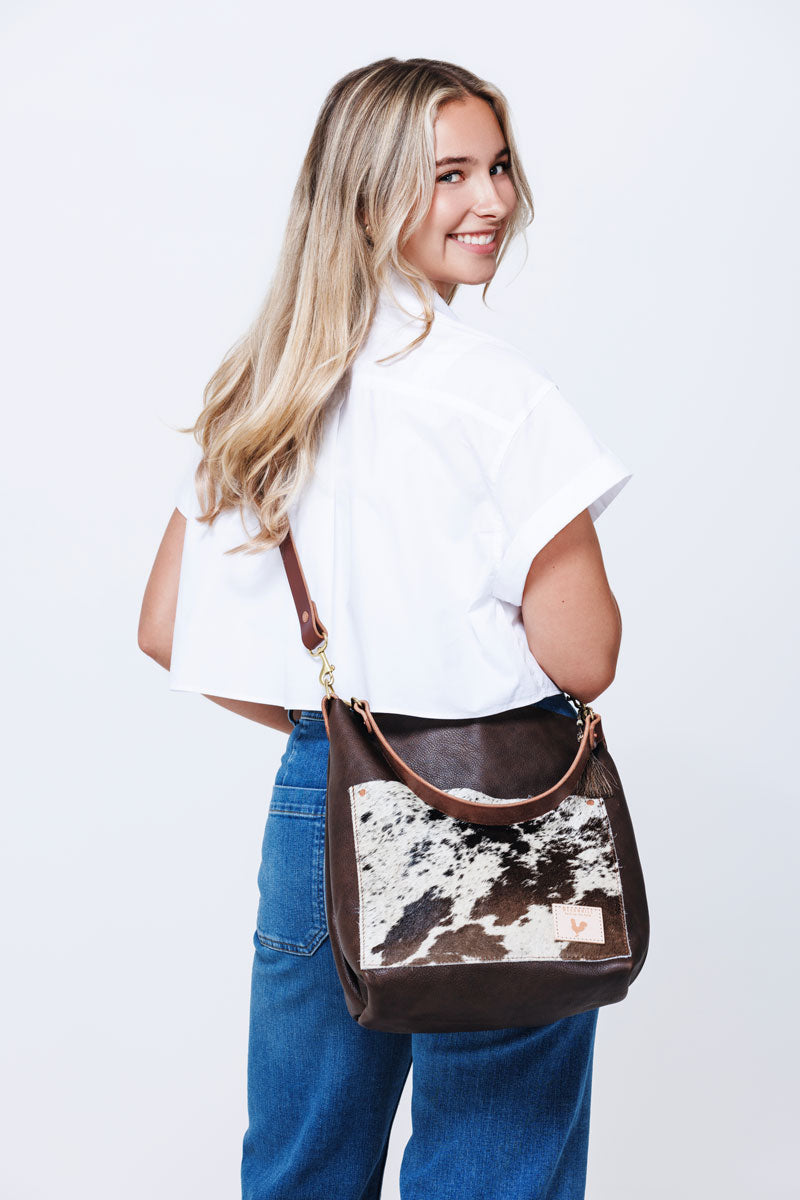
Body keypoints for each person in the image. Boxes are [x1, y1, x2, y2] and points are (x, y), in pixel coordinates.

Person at [138, 56, 632, 1200]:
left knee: (305, 1161)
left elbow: (169, 627)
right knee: (493, 1165)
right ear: (365, 195)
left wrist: (347, 732)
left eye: (497, 166)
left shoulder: (261, 388)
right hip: (502, 795)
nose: (492, 201)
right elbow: (585, 656)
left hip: (323, 796)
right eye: (448, 174)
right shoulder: (494, 391)